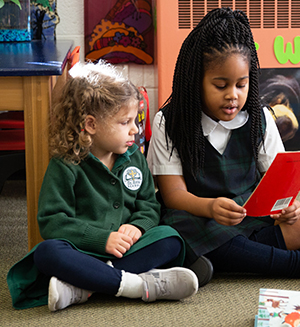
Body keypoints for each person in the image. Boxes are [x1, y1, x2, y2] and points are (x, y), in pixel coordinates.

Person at [147, 7, 300, 287]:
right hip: (197, 216)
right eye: (220, 85)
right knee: (177, 233)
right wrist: (210, 207)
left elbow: (279, 182)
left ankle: (226, 258)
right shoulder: (170, 121)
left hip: (249, 216)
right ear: (195, 81)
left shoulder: (260, 118)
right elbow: (174, 194)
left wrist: (288, 206)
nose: (232, 95)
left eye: (241, 84)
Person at [7, 61, 198, 312]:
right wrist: (101, 239)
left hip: (128, 251)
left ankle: (82, 287)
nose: (135, 129)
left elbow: (149, 205)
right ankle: (137, 286)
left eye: (135, 120)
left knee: (169, 238)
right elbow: (52, 221)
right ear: (91, 125)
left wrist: (138, 226)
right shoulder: (66, 165)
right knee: (47, 252)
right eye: (124, 122)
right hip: (83, 254)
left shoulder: (134, 157)